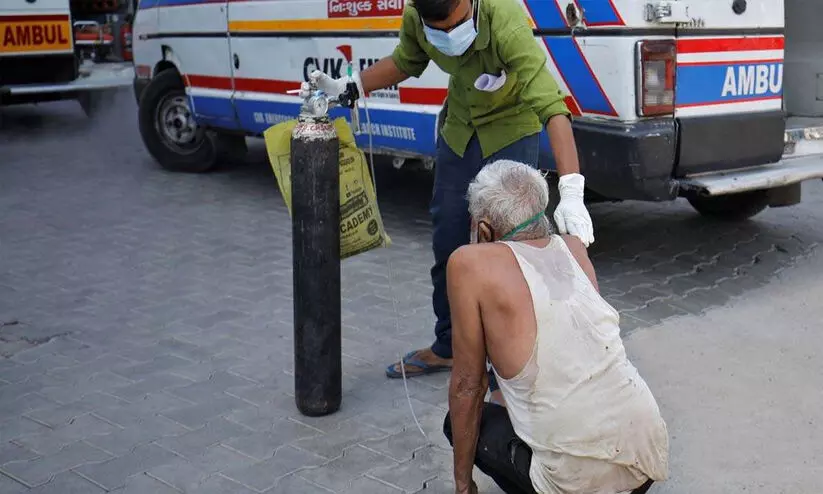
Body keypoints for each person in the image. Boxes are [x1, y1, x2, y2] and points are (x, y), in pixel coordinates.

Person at [301, 0, 595, 378]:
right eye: (438, 30)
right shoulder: (417, 16)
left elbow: (552, 107)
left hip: (510, 131)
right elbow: (406, 60)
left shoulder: (502, 18)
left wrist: (572, 190)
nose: (448, 37)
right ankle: (449, 345)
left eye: (455, 26)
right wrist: (352, 86)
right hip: (460, 130)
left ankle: (514, 357)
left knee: (512, 250)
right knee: (449, 241)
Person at [442, 161, 669, 494]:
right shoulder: (575, 248)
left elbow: (466, 386)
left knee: (456, 422)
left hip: (575, 485)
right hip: (644, 462)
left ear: (484, 230)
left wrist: (463, 486)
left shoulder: (469, 263)